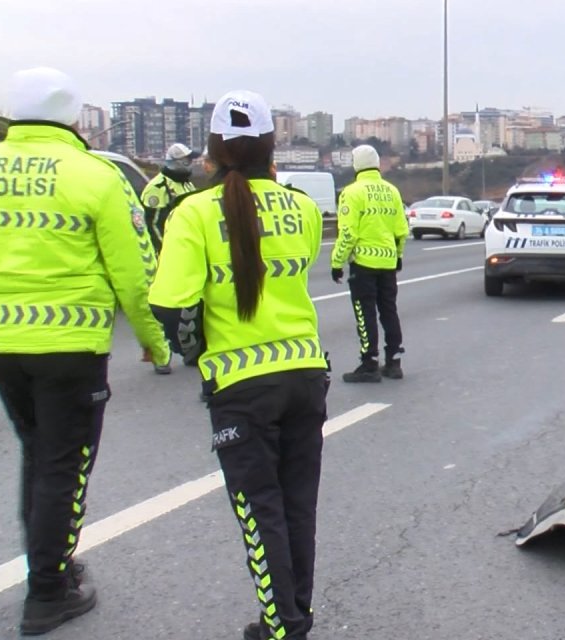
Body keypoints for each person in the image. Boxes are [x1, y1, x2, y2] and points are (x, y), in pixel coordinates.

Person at [0, 67, 172, 636]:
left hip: (1, 345)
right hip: (69, 345)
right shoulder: (95, 175)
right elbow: (136, 272)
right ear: (73, 117)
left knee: (39, 455)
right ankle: (49, 591)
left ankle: (53, 564)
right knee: (63, 465)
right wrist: (153, 341)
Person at [148, 90, 328, 640]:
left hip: (241, 385)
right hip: (304, 373)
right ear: (273, 146)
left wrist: (193, 345)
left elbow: (167, 303)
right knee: (297, 504)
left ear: (212, 152)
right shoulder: (301, 206)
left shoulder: (193, 213)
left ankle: (282, 626)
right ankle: (296, 612)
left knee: (259, 511)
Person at [330, 145, 408, 382]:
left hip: (364, 263)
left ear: (356, 164)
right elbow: (401, 230)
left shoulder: (352, 193)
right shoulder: (392, 191)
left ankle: (369, 363)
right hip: (387, 261)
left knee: (365, 312)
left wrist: (337, 261)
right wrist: (398, 256)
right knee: (389, 310)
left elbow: (348, 233)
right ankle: (394, 362)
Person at [141, 142, 200, 253]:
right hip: (169, 251)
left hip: (187, 246)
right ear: (177, 163)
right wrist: (167, 251)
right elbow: (152, 225)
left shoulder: (187, 184)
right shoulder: (157, 187)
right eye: (188, 161)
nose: (192, 164)